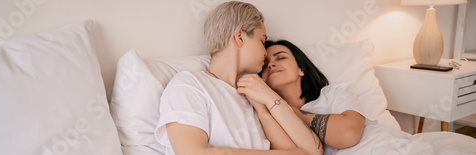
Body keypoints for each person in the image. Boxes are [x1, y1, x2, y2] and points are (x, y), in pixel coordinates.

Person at [155, 2, 322, 155]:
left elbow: (310, 152)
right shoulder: (190, 85)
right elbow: (192, 153)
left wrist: (265, 106)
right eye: (262, 41)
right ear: (240, 37)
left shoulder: (255, 93)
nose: (265, 53)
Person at [244, 39, 377, 151]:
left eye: (281, 57)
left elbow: (348, 133)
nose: (271, 64)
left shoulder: (333, 92)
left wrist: (287, 109)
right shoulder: (267, 117)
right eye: (265, 64)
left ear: (301, 69)